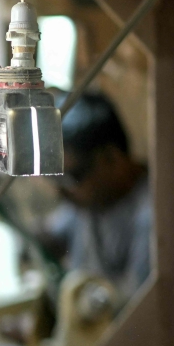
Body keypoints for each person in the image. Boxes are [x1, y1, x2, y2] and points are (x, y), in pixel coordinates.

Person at [41, 91, 152, 307]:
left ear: (112, 158)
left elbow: (135, 307)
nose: (62, 193)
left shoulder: (154, 214)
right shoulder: (87, 203)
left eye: (71, 177)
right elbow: (49, 235)